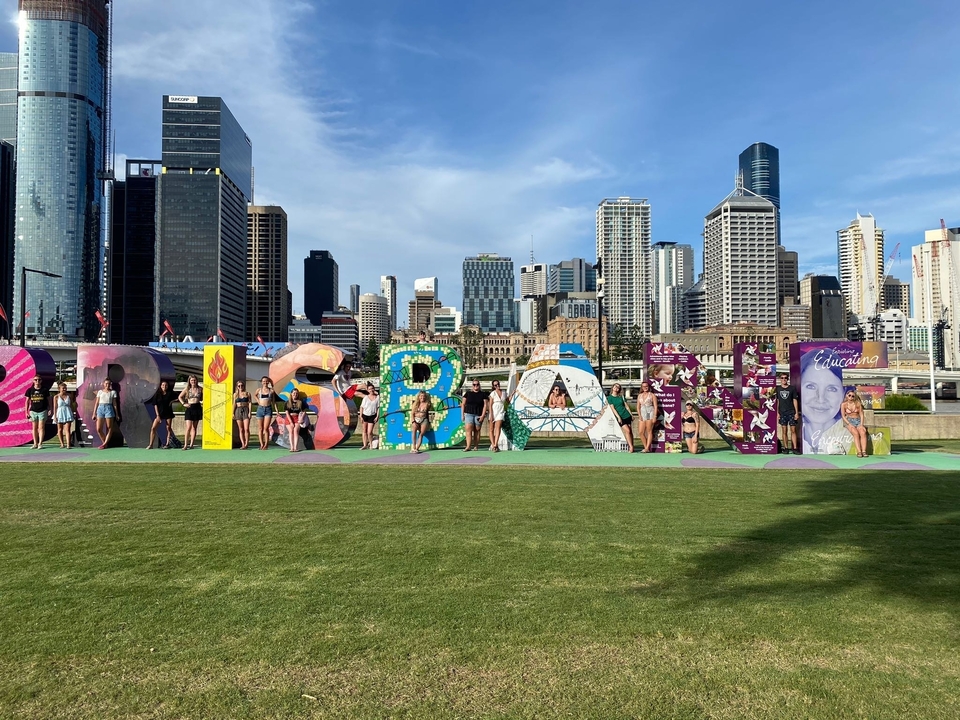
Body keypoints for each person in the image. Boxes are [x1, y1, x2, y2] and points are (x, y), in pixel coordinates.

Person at [799, 348, 849, 454]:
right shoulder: (795, 432)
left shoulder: (851, 436)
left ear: (843, 393)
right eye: (811, 386)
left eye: (832, 389)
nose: (820, 399)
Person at [147, 380, 177, 449]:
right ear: (160, 386)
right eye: (163, 385)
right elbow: (155, 405)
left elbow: (179, 397)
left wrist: (172, 401)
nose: (164, 386)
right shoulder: (157, 394)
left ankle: (167, 444)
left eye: (166, 385)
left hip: (168, 413)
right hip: (159, 414)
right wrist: (158, 416)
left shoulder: (171, 393)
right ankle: (150, 444)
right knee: (153, 428)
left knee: (168, 428)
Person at [775, 373, 800, 454]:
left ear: (787, 379)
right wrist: (777, 412)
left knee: (793, 430)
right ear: (780, 379)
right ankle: (785, 448)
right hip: (782, 413)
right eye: (782, 378)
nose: (784, 379)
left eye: (785, 378)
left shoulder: (792, 388)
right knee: (784, 430)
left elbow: (795, 400)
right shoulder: (778, 389)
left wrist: (796, 412)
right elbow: (777, 401)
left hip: (791, 412)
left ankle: (795, 448)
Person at [461, 379, 489, 451]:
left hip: (478, 414)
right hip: (469, 413)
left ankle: (476, 446)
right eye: (474, 384)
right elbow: (463, 404)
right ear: (472, 386)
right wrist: (462, 414)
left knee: (477, 430)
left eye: (477, 384)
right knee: (468, 430)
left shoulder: (483, 394)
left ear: (479, 385)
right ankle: (468, 446)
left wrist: (482, 416)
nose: (476, 386)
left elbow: (485, 405)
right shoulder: (468, 394)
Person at [607, 383, 635, 453]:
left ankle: (632, 445)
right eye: (615, 386)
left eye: (618, 387)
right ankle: (630, 447)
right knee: (627, 431)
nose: (616, 388)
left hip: (626, 415)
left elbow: (626, 406)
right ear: (612, 388)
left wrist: (631, 414)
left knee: (630, 431)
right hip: (620, 416)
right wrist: (618, 417)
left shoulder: (621, 397)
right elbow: (613, 408)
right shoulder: (610, 398)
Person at [24, 375, 50, 449]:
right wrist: (26, 412)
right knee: (34, 427)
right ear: (33, 381)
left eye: (39, 380)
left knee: (41, 427)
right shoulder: (29, 390)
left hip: (43, 410)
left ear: (41, 381)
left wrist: (50, 408)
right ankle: (35, 443)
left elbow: (49, 400)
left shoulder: (45, 390)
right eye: (35, 380)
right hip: (33, 411)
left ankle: (40, 443)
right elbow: (27, 402)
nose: (37, 381)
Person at [93, 378, 120, 449]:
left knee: (109, 427)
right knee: (99, 428)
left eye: (109, 384)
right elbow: (96, 403)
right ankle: (105, 443)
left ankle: (104, 444)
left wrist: (117, 414)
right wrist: (94, 413)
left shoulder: (113, 392)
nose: (107, 385)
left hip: (109, 408)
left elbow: (114, 403)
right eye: (106, 383)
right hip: (100, 408)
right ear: (103, 384)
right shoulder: (100, 392)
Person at [178, 375, 203, 450]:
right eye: (192, 380)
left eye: (194, 380)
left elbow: (205, 396)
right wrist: (183, 404)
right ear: (189, 381)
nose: (193, 382)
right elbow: (179, 397)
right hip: (189, 407)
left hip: (197, 407)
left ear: (196, 381)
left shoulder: (200, 389)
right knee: (188, 427)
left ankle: (192, 444)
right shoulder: (187, 389)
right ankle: (185, 444)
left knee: (194, 427)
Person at [841, 389, 869, 457]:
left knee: (862, 432)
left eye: (853, 396)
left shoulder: (858, 404)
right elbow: (843, 416)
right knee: (855, 433)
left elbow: (861, 414)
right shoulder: (843, 405)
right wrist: (849, 424)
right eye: (849, 395)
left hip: (858, 420)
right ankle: (859, 451)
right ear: (847, 396)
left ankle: (864, 451)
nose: (851, 397)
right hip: (849, 421)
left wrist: (861, 424)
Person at [255, 376, 278, 450]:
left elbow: (274, 402)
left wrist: (277, 411)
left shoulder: (271, 391)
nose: (265, 382)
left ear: (268, 382)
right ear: (261, 382)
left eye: (266, 381)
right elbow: (255, 395)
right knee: (260, 428)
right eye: (264, 381)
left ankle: (266, 444)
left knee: (266, 428)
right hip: (260, 409)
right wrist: (258, 401)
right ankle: (261, 444)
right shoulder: (259, 390)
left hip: (268, 409)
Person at [636, 380, 658, 453]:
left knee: (649, 431)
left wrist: (655, 416)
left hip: (650, 412)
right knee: (641, 432)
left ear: (648, 387)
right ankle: (646, 447)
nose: (645, 387)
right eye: (644, 386)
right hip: (642, 413)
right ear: (641, 387)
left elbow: (655, 406)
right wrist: (639, 415)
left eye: (646, 386)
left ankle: (647, 447)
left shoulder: (652, 395)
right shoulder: (640, 395)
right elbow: (638, 406)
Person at [488, 380, 509, 452]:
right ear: (493, 386)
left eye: (498, 384)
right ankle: (493, 444)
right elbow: (490, 405)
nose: (497, 386)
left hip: (501, 410)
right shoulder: (492, 393)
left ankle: (495, 444)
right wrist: (491, 415)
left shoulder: (504, 392)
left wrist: (512, 394)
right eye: (495, 385)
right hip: (494, 410)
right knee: (491, 429)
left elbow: (507, 401)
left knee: (498, 427)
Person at [53, 382, 75, 449]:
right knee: (60, 429)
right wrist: (55, 416)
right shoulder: (56, 397)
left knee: (68, 429)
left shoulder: (69, 396)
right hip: (59, 413)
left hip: (68, 412)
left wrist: (73, 412)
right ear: (59, 389)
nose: (65, 389)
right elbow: (55, 407)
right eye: (63, 388)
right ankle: (62, 444)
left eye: (65, 388)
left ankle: (68, 444)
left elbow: (71, 405)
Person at [284, 388, 307, 452]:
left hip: (297, 418)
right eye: (294, 393)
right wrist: (291, 422)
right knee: (291, 431)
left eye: (296, 393)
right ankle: (291, 447)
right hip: (289, 418)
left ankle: (295, 447)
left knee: (296, 431)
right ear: (291, 394)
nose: (295, 394)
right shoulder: (287, 403)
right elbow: (287, 413)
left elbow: (304, 411)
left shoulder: (300, 402)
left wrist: (301, 418)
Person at [360, 382, 379, 450]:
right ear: (367, 390)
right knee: (364, 430)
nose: (371, 390)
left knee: (369, 431)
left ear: (374, 389)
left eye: (372, 388)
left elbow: (378, 408)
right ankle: (364, 445)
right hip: (365, 415)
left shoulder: (377, 398)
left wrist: (377, 416)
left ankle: (371, 444)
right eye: (369, 389)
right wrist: (361, 416)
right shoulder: (365, 397)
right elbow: (361, 407)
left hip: (372, 416)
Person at [234, 380, 252, 449]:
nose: (240, 387)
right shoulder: (235, 395)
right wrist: (233, 413)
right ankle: (243, 444)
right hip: (238, 410)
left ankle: (247, 443)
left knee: (246, 428)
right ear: (237, 387)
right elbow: (234, 404)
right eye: (239, 386)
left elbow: (250, 403)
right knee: (241, 429)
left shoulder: (247, 394)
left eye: (242, 385)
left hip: (245, 410)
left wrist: (250, 412)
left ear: (244, 386)